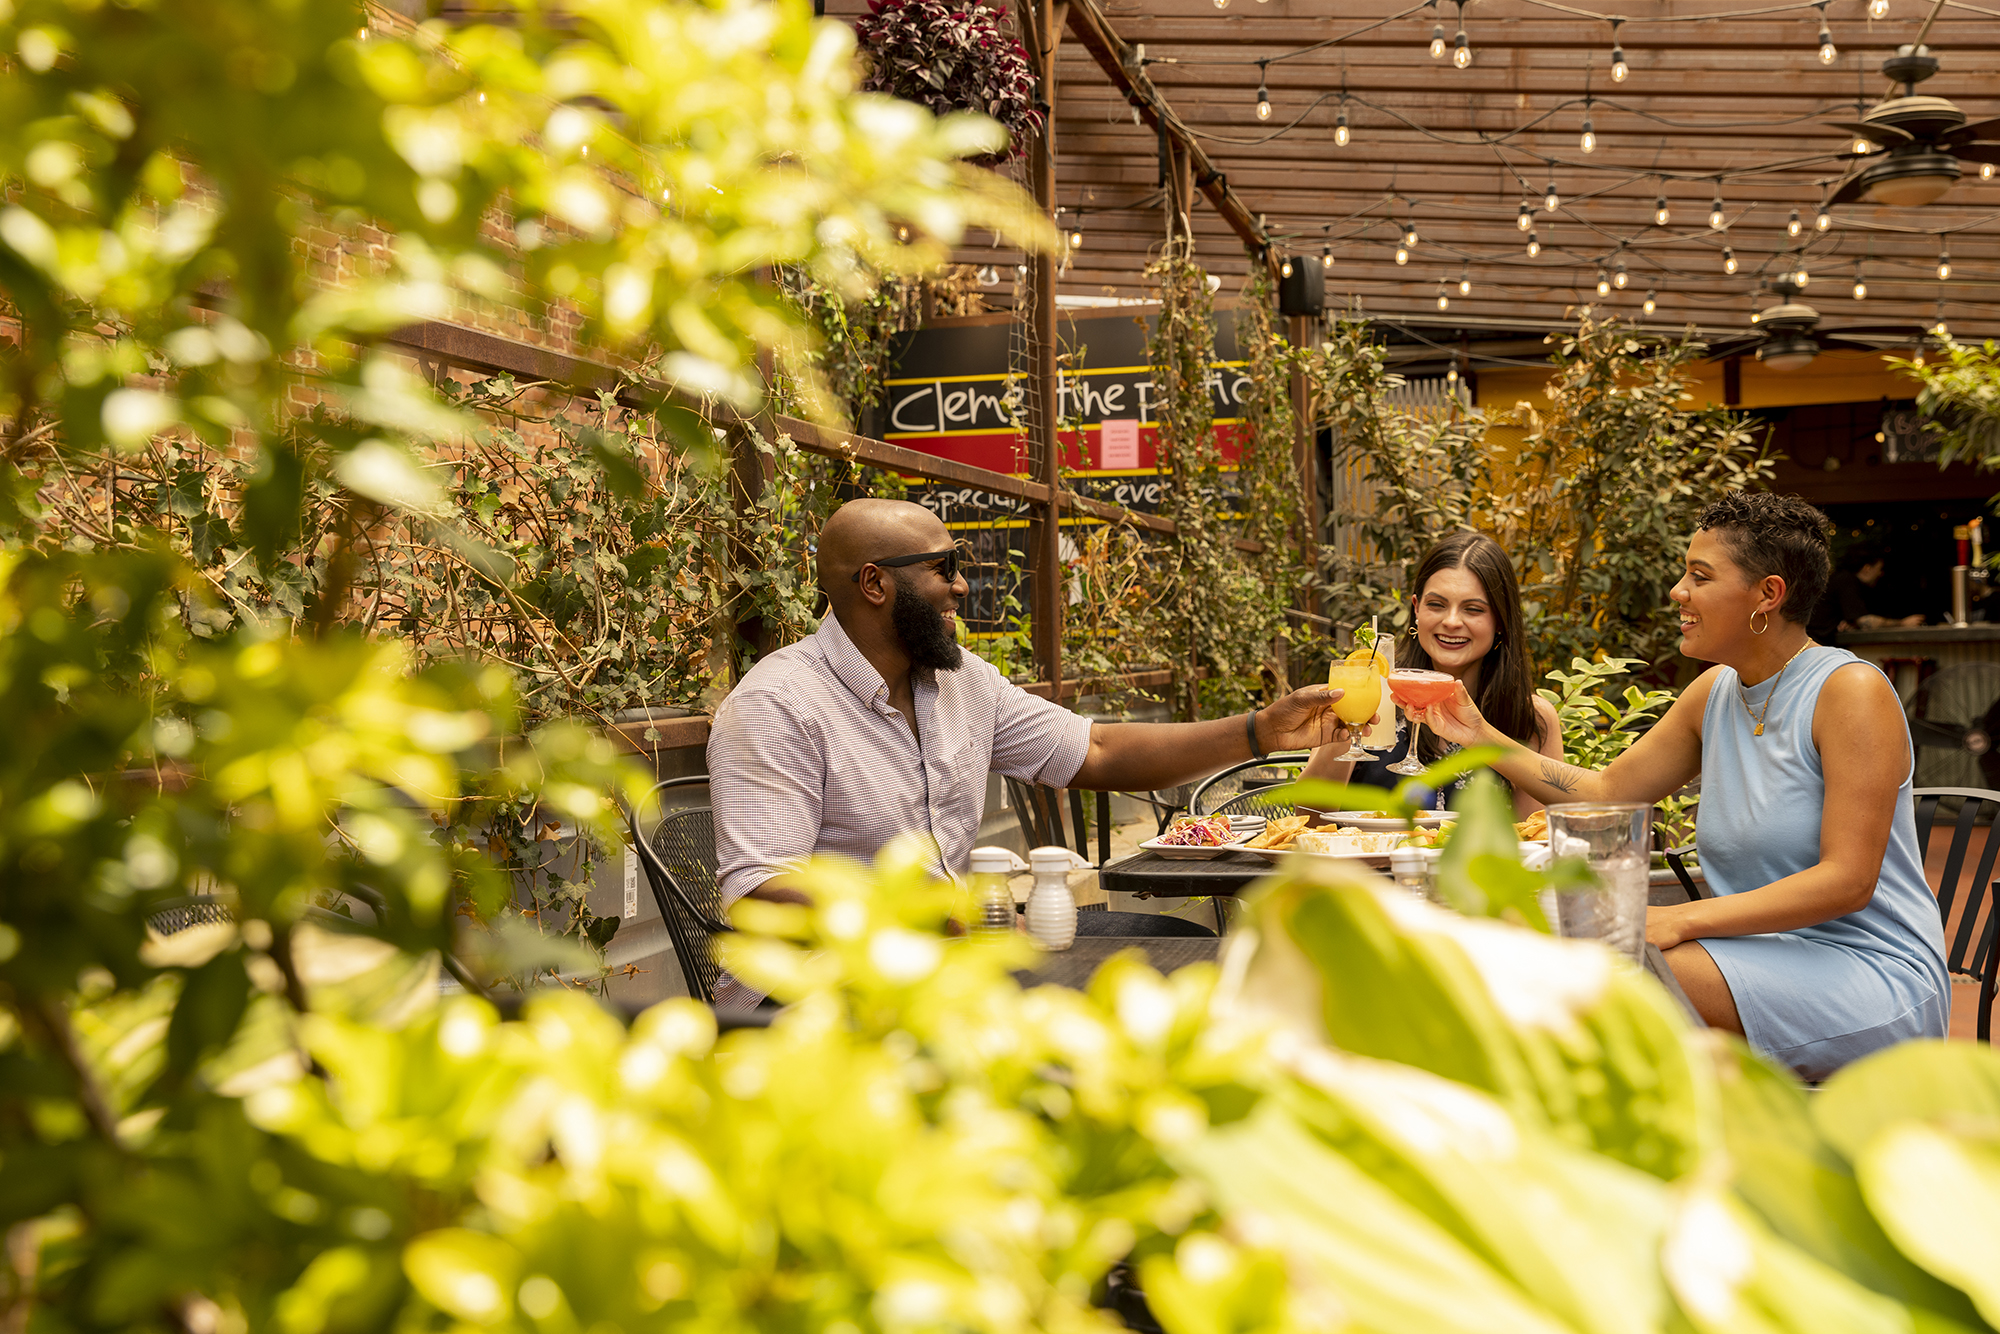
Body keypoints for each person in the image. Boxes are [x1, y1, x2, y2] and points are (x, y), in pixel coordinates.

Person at [1410, 492, 1949, 1080]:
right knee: (1527, 934)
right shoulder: (1715, 691)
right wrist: (1480, 734)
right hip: (1753, 955)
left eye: (1699, 575)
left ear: (1768, 595)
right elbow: (1606, 792)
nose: (1677, 591)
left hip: (1868, 971)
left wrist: (1679, 920)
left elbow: (1847, 880)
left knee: (1601, 979)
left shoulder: (1850, 692)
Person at [708, 498, 1352, 912]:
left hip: (953, 973)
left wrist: (1263, 730)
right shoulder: (778, 704)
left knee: (1181, 954)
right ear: (875, 583)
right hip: (826, 998)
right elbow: (761, 893)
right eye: (943, 567)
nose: (961, 584)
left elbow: (1095, 751)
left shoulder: (961, 683)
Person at [1302, 531, 1563, 817]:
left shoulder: (1529, 717)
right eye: (1436, 605)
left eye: (1473, 609)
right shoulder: (1373, 692)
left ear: (1500, 620)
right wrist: (1343, 729)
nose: (1451, 621)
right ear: (1416, 609)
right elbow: (1308, 820)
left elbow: (1533, 836)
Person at [1808, 543, 1925, 638]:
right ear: (1867, 568)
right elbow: (1866, 622)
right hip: (1818, 644)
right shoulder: (1847, 581)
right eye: (1879, 569)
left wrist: (1852, 623)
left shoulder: (1842, 579)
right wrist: (1903, 623)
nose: (1881, 574)